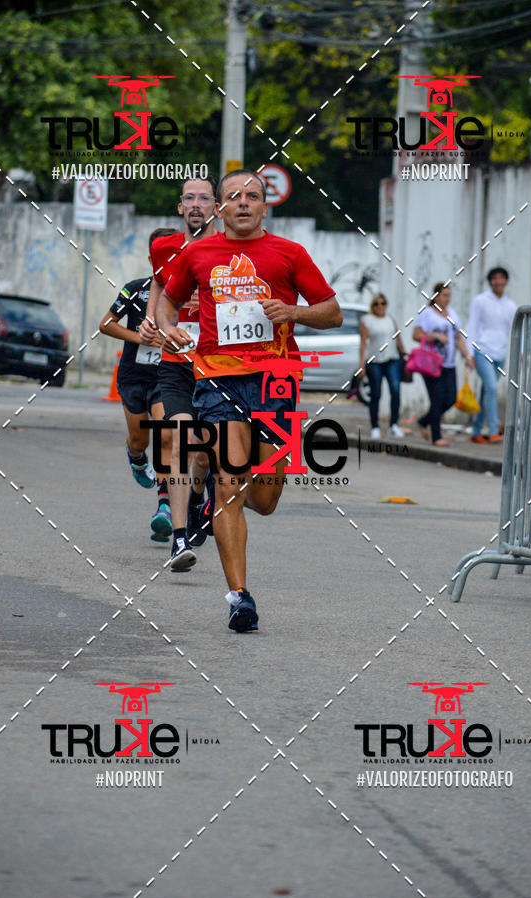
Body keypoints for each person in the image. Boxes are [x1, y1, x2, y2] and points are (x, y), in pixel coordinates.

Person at [158, 169, 343, 632]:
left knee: (264, 499)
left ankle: (212, 503)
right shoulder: (198, 254)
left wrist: (294, 311)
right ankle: (239, 597)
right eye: (234, 196)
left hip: (277, 381)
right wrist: (168, 327)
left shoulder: (289, 253)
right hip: (218, 379)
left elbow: (333, 312)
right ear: (220, 207)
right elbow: (167, 301)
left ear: (264, 207)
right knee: (229, 486)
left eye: (253, 196)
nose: (243, 203)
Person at [138, 177, 217, 572]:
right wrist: (150, 321)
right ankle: (180, 539)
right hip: (175, 364)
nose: (197, 204)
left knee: (204, 454)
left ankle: (199, 496)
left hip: (216, 367)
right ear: (180, 207)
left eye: (205, 198)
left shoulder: (228, 250)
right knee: (181, 442)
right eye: (190, 198)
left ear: (217, 207)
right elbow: (158, 284)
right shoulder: (164, 248)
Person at [98, 228, 176, 540]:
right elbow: (106, 324)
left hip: (166, 377)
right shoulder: (136, 289)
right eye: (162, 255)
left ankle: (165, 506)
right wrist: (140, 338)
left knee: (167, 436)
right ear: (151, 258)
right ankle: (136, 457)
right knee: (139, 439)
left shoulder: (189, 293)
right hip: (133, 376)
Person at [412, 282, 474, 446]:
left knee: (451, 398)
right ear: (436, 296)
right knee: (437, 399)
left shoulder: (453, 314)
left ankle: (424, 421)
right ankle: (436, 436)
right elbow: (416, 335)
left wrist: (467, 356)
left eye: (449, 295)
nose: (447, 299)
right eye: (444, 295)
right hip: (431, 364)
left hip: (449, 363)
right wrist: (434, 336)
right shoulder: (427, 314)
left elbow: (458, 338)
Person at [466, 266, 516, 443]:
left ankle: (476, 431)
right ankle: (494, 430)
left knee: (486, 391)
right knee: (492, 388)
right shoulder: (480, 301)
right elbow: (471, 326)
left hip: (500, 353)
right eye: (494, 278)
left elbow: (516, 331)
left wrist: (521, 351)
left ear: (506, 281)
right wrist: (469, 354)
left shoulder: (511, 306)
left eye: (501, 278)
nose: (498, 281)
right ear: (490, 282)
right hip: (482, 350)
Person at [358, 293, 405, 439]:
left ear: (386, 304)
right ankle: (375, 427)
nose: (380, 306)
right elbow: (363, 343)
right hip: (374, 361)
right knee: (376, 394)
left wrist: (404, 353)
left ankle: (394, 425)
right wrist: (361, 365)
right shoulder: (367, 320)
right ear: (373, 306)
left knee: (395, 391)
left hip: (392, 359)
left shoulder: (390, 319)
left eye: (383, 303)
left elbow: (397, 338)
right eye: (377, 303)